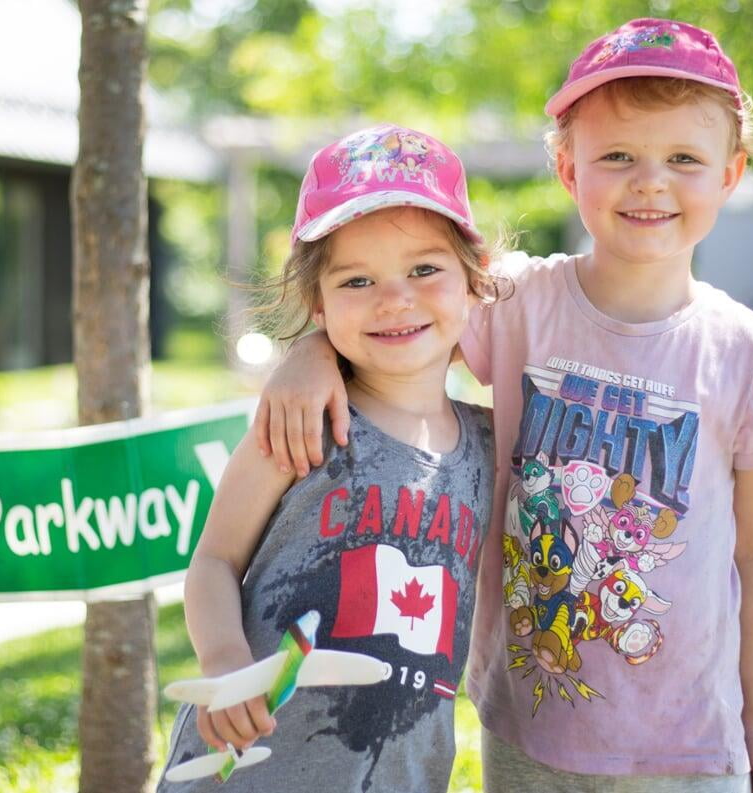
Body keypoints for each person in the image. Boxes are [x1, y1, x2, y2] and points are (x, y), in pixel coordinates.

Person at [252, 19, 753, 793]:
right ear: (565, 168)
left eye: (683, 158)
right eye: (616, 155)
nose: (649, 181)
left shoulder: (748, 352)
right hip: (529, 727)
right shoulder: (516, 301)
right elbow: (400, 322)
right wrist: (309, 349)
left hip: (688, 741)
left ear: (730, 172)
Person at [157, 123, 504, 792]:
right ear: (318, 303)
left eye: (425, 269)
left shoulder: (491, 442)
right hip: (249, 771)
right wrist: (225, 657)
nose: (394, 297)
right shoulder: (304, 419)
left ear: (474, 279)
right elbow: (213, 560)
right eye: (357, 280)